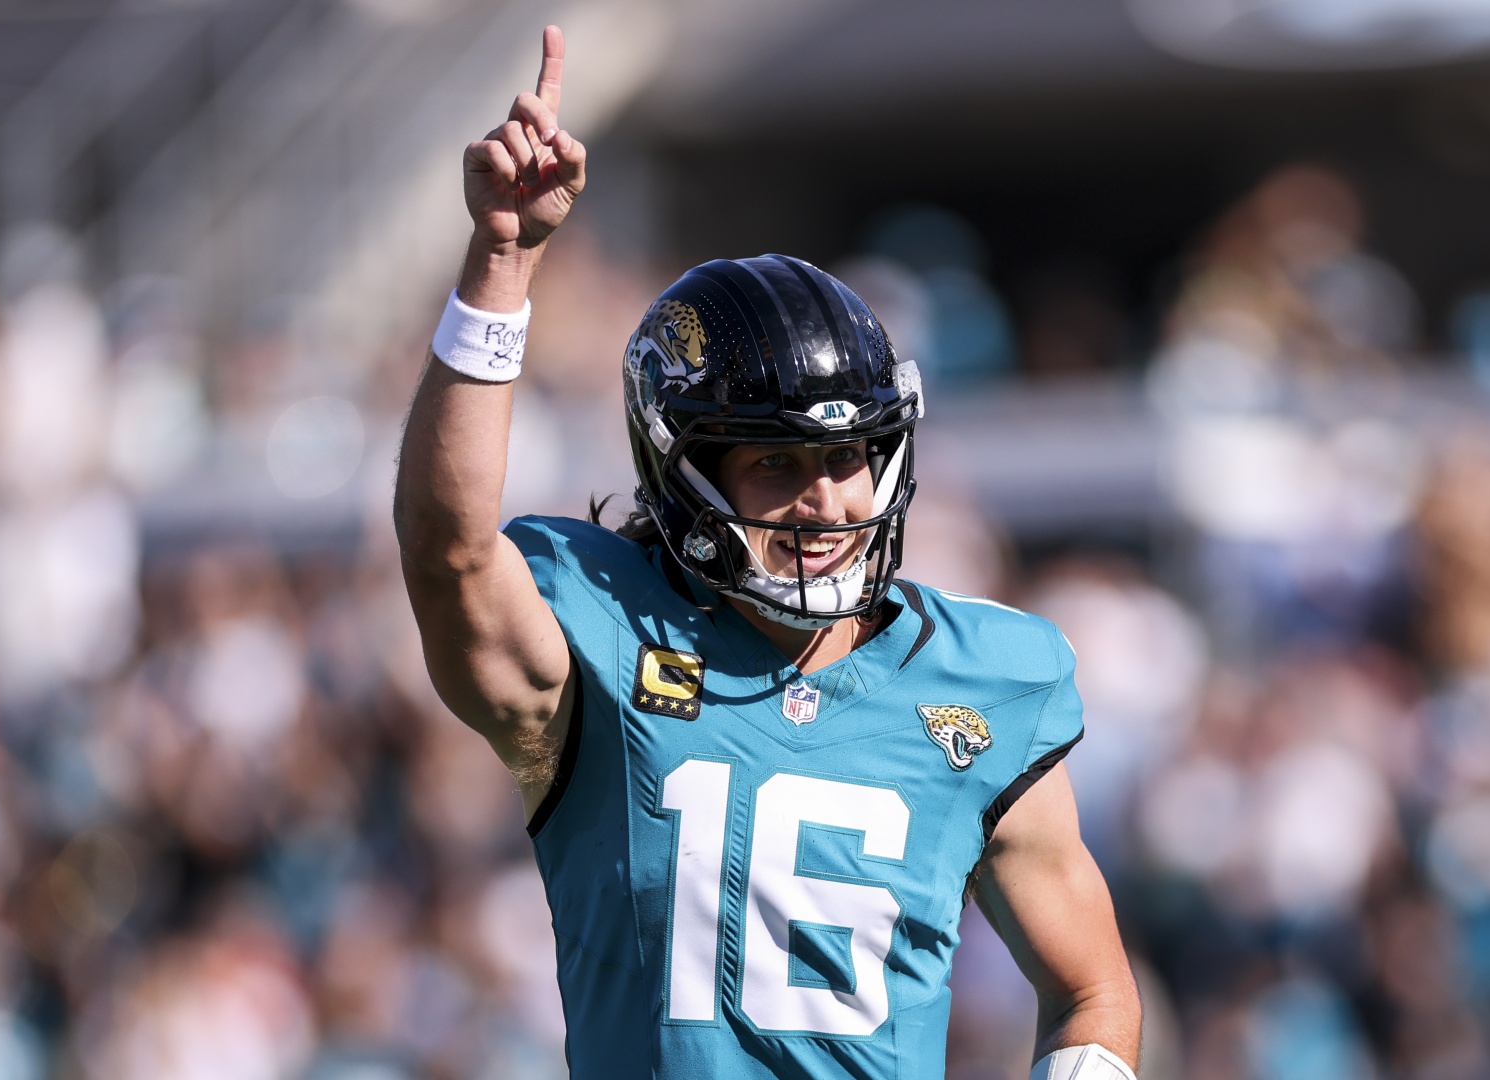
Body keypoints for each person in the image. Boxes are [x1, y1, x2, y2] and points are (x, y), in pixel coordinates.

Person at [393, 26, 1142, 1080]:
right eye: (777, 466)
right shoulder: (602, 634)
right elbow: (450, 554)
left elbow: (1093, 991)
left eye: (847, 456)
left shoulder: (984, 681)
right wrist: (501, 265)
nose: (826, 499)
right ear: (683, 470)